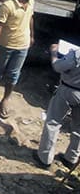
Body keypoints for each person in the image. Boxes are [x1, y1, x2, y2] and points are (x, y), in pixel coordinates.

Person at [0, 0, 42, 119]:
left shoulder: (31, 3)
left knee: (13, 75)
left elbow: (31, 17)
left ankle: (5, 99)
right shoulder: (8, 6)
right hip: (6, 45)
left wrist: (31, 35)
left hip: (22, 47)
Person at [36, 41, 80, 169]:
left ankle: (44, 158)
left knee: (53, 122)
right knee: (78, 128)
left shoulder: (77, 54)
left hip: (68, 90)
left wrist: (54, 52)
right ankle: (71, 158)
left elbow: (58, 67)